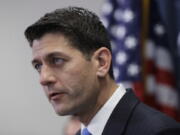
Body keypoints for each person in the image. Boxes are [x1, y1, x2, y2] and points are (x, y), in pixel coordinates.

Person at [24, 7, 180, 135]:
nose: (44, 78)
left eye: (57, 60)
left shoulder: (158, 132)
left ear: (101, 62)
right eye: (38, 66)